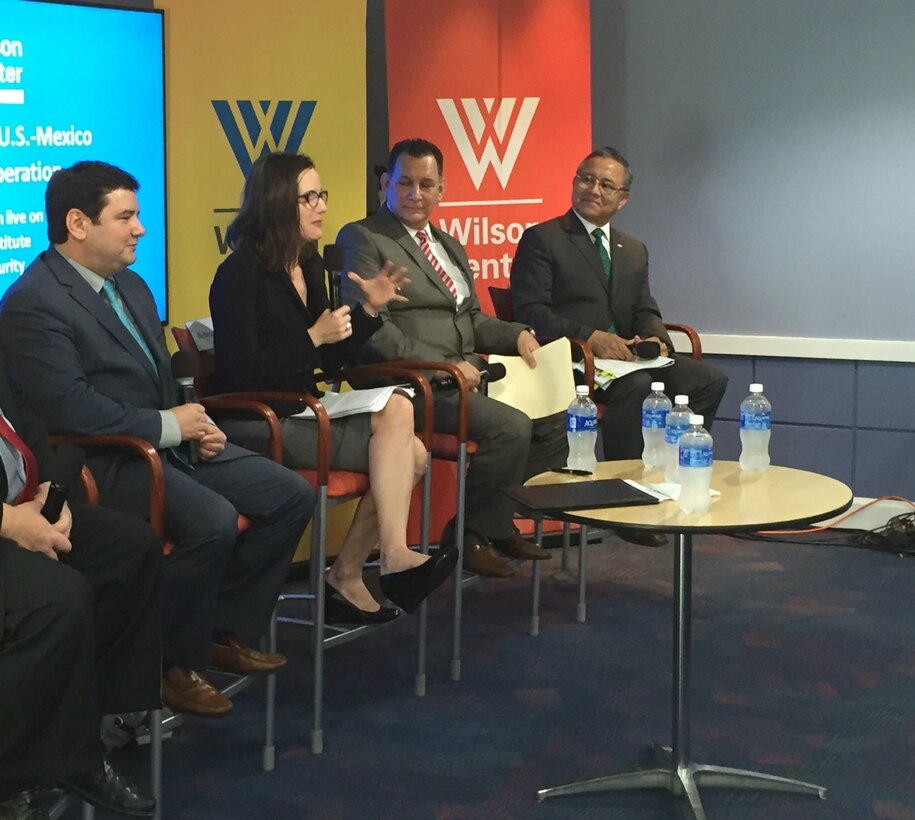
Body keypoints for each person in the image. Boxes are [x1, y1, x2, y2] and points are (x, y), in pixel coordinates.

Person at [0, 161, 314, 719]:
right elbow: (68, 407)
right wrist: (170, 426)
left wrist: (196, 426)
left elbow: (160, 381)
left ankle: (222, 628)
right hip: (106, 459)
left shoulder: (133, 285)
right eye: (125, 217)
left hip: (165, 442)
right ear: (77, 223)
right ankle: (166, 660)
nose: (140, 229)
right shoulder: (34, 301)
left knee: (289, 495)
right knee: (213, 522)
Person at [209, 151, 456, 619]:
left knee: (415, 449)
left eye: (321, 195)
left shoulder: (310, 267)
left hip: (305, 407)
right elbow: (241, 375)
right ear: (279, 203)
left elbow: (331, 359)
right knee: (407, 431)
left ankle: (350, 570)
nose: (321, 205)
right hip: (257, 421)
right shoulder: (239, 275)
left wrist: (367, 313)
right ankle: (389, 559)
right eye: (309, 197)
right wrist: (310, 337)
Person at [337, 138, 568, 579]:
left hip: (463, 374)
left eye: (427, 184)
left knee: (553, 415)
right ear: (386, 183)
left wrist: (516, 334)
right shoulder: (364, 237)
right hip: (409, 384)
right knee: (510, 425)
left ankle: (497, 522)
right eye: (405, 183)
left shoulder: (448, 244)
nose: (416, 194)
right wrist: (443, 367)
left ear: (442, 189)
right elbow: (372, 330)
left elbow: (473, 318)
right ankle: (469, 534)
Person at [0, 367, 161, 818]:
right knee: (61, 596)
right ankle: (26, 770)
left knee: (133, 551)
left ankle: (83, 742)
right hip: (6, 522)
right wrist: (12, 524)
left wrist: (54, 490)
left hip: (22, 507)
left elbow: (32, 430)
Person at [511, 147, 728, 461]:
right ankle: (624, 481)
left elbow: (644, 308)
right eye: (587, 179)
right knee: (637, 385)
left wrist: (658, 340)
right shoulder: (543, 239)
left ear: (623, 199)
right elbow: (531, 313)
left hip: (623, 360)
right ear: (574, 183)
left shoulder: (633, 249)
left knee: (709, 380)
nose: (594, 190)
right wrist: (593, 338)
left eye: (606, 185)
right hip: (573, 360)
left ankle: (671, 466)